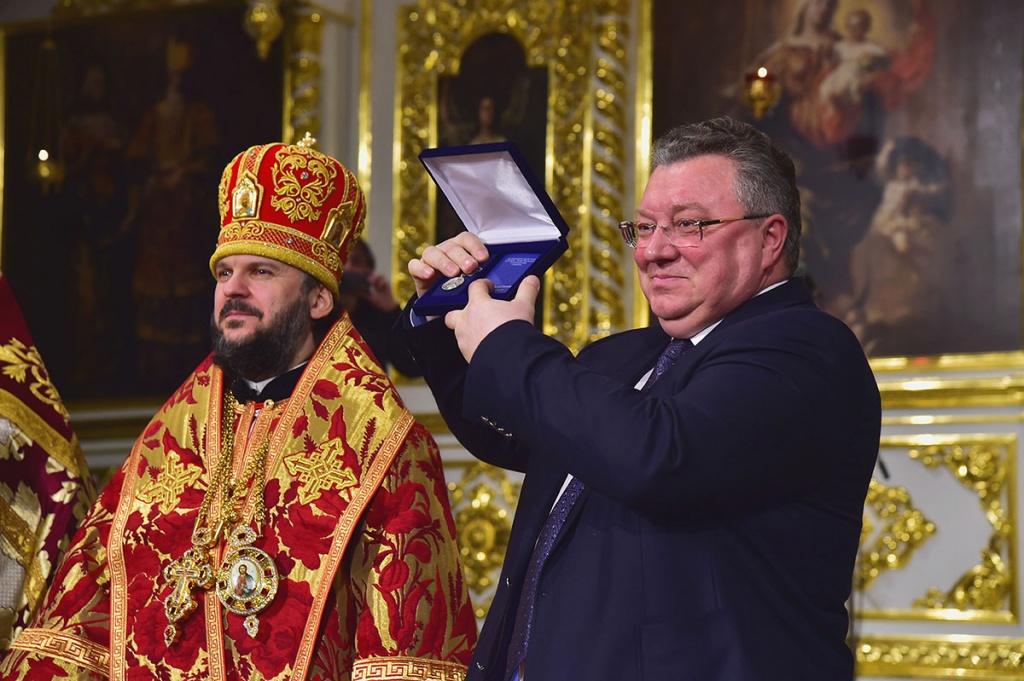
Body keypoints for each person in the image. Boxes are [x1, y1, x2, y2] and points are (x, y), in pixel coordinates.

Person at [399, 117, 881, 679]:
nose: (654, 252)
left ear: (770, 238)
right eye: (644, 228)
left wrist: (508, 344)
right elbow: (512, 431)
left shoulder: (806, 349)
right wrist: (446, 315)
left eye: (688, 225)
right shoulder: (621, 356)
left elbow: (658, 455)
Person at [0, 137, 477, 679]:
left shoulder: (385, 446)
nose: (233, 289)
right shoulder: (165, 443)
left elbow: (406, 653)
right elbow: (76, 623)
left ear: (319, 299)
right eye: (224, 273)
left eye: (262, 272)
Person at [340, 239, 422, 377]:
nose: (347, 268)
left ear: (368, 271)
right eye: (342, 260)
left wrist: (391, 310)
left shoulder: (376, 315)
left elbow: (413, 368)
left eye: (356, 262)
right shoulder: (313, 310)